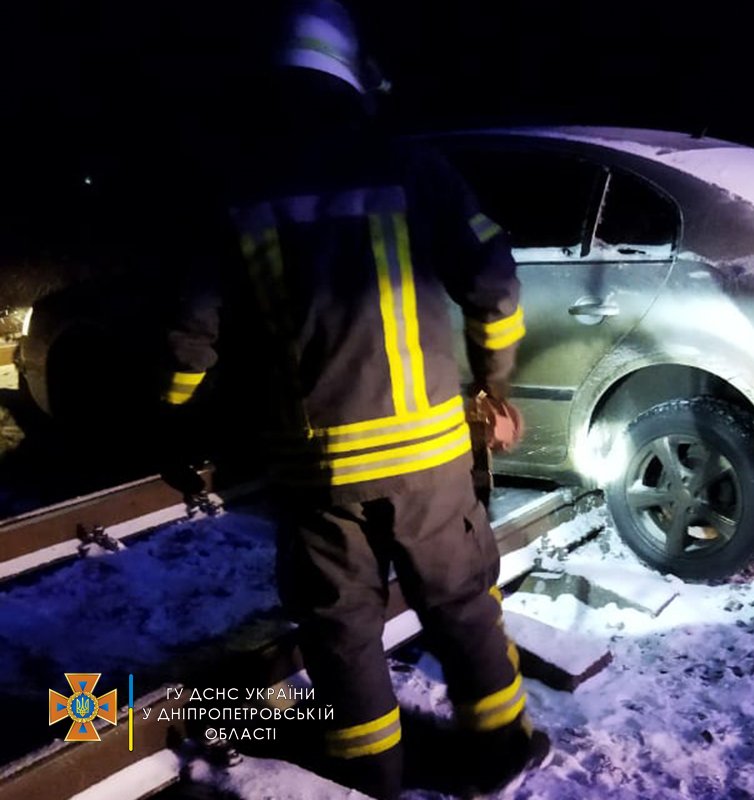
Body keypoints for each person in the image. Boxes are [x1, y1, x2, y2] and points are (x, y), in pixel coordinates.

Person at [160, 1, 548, 796]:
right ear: (354, 80)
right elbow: (494, 281)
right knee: (462, 606)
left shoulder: (238, 191)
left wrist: (176, 415)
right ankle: (500, 754)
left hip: (318, 469)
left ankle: (374, 765)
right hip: (431, 460)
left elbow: (192, 327)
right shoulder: (412, 167)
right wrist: (493, 378)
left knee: (340, 628)